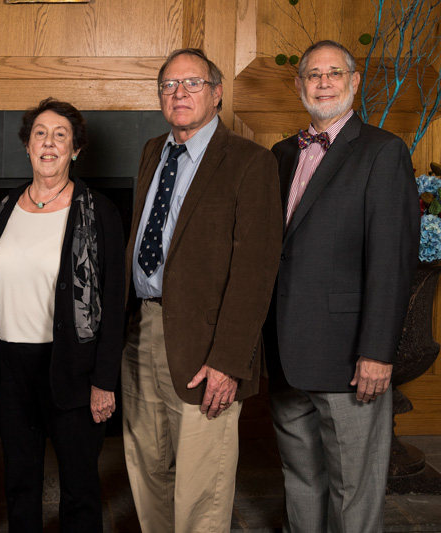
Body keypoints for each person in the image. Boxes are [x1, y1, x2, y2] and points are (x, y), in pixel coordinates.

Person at [121, 48, 282, 532]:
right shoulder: (154, 150)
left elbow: (255, 271)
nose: (180, 94)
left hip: (206, 345)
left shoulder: (250, 163)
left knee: (201, 482)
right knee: (145, 465)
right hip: (142, 330)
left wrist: (229, 361)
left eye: (192, 83)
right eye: (169, 86)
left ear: (216, 93)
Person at [265, 40, 419, 533]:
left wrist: (377, 351)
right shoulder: (281, 153)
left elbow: (391, 262)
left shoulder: (383, 151)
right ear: (299, 84)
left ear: (353, 82)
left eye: (335, 73)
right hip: (287, 352)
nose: (324, 82)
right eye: (314, 74)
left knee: (354, 488)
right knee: (301, 478)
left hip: (350, 358)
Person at [0, 97, 125, 532]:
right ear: (27, 146)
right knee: (19, 482)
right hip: (11, 365)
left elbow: (115, 304)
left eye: (61, 135)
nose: (49, 143)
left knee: (79, 487)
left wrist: (103, 381)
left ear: (75, 150)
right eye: (40, 133)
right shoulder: (4, 207)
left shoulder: (98, 212)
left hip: (72, 368)